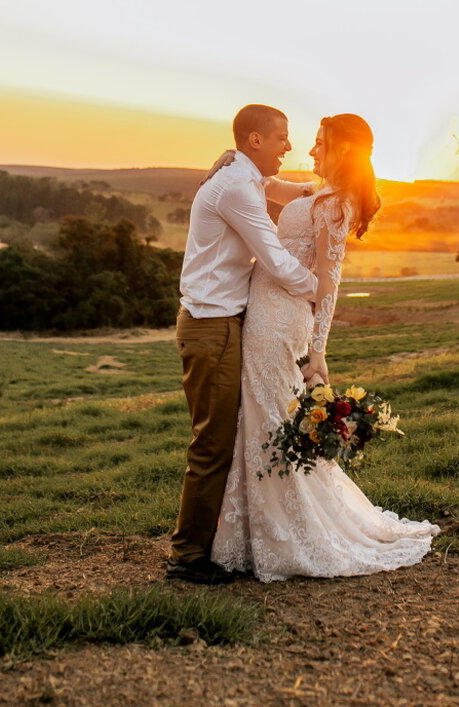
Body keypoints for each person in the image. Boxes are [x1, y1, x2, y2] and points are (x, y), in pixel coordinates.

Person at [211, 113, 440, 581]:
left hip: (280, 320)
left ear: (343, 150)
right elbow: (269, 185)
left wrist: (318, 352)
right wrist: (235, 160)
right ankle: (258, 530)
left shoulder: (336, 204)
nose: (310, 151)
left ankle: (292, 532)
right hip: (264, 311)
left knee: (271, 416)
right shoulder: (315, 192)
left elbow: (329, 283)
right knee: (261, 413)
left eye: (320, 144)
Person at [167, 104, 318, 585]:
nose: (289, 147)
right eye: (282, 138)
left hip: (221, 323)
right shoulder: (235, 185)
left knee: (223, 437)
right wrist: (321, 288)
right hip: (211, 327)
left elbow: (286, 189)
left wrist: (333, 190)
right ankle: (187, 558)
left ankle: (208, 544)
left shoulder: (242, 174)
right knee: (212, 444)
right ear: (254, 141)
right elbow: (273, 258)